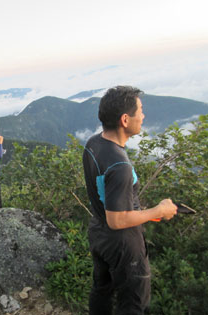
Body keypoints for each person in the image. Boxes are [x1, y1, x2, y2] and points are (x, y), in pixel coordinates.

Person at [82, 86, 177, 314]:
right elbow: (118, 220)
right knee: (133, 303)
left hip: (98, 232)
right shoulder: (120, 165)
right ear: (125, 119)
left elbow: (107, 198)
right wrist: (159, 210)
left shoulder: (94, 143)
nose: (143, 116)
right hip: (123, 243)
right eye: (140, 111)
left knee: (102, 290)